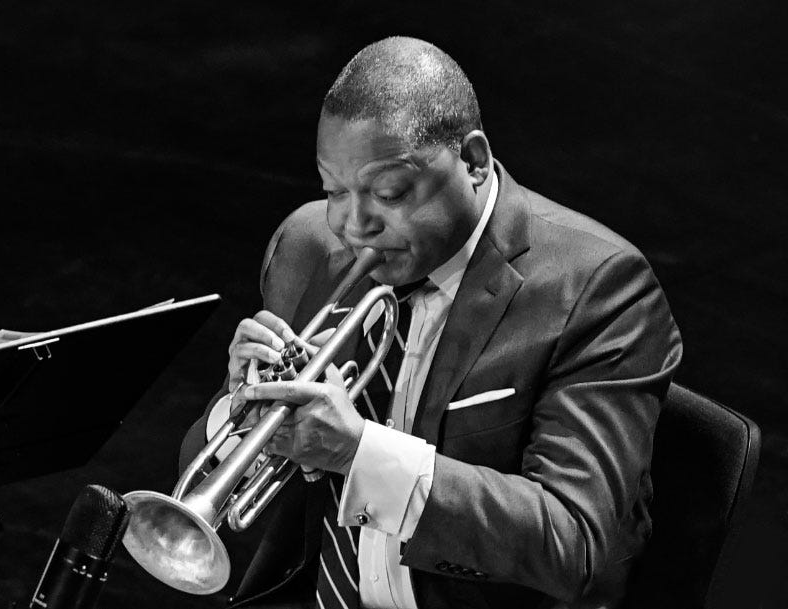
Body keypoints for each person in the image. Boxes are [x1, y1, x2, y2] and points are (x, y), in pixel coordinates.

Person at [180, 36, 682, 609]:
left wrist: (357, 452)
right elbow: (202, 480)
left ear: (472, 161)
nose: (354, 224)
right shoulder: (310, 245)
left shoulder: (597, 288)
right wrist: (242, 411)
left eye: (389, 192)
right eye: (333, 191)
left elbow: (573, 544)